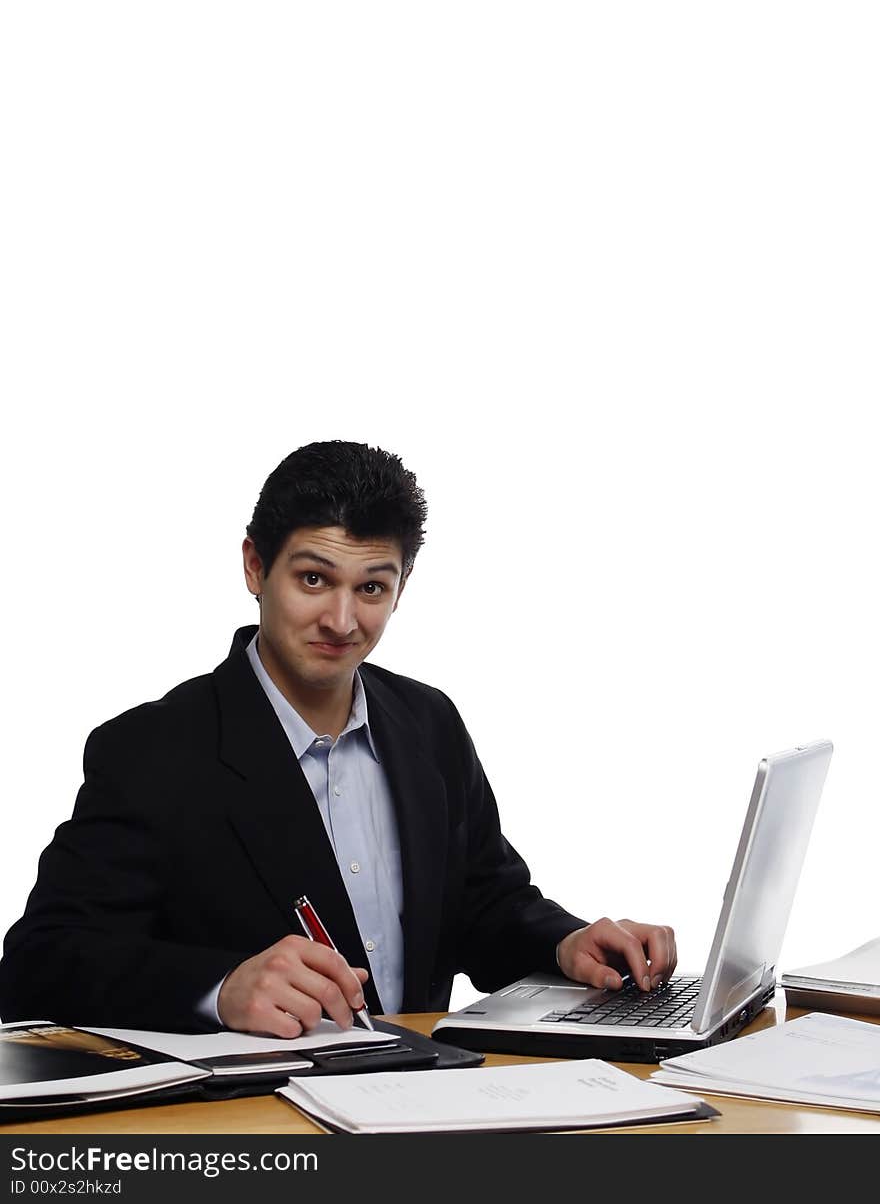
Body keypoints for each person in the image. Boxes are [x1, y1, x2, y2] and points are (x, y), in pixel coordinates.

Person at [0, 441, 676, 1035]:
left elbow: (484, 902)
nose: (343, 620)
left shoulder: (428, 721)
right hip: (252, 1126)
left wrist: (567, 944)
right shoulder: (154, 750)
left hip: (421, 1107)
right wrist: (221, 987)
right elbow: (42, 960)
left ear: (401, 588)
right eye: (314, 579)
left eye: (372, 587)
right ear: (254, 567)